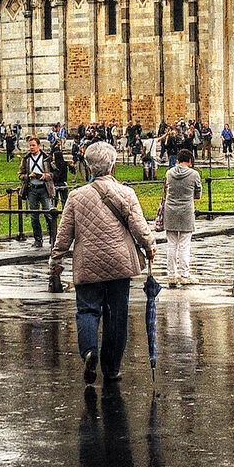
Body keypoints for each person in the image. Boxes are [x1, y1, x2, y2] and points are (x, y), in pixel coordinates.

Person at [50, 141, 154, 388]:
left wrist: (56, 260)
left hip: (87, 263)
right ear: (113, 165)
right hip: (119, 262)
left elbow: (64, 234)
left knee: (87, 310)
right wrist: (150, 246)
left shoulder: (76, 196)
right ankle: (111, 368)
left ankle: (88, 351)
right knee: (117, 316)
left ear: (88, 166)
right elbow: (139, 227)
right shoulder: (125, 193)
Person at [159, 151, 199, 282]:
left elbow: (166, 189)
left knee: (171, 244)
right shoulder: (194, 174)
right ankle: (184, 274)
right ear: (189, 160)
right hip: (186, 211)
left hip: (170, 210)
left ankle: (171, 274)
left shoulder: (169, 173)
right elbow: (198, 194)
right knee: (184, 245)